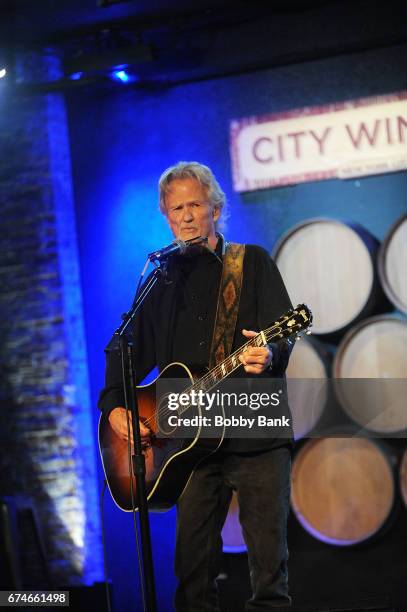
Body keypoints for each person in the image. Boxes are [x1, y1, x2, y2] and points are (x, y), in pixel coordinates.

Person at [98, 161, 294, 611]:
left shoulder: (252, 262)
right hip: (189, 447)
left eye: (195, 205)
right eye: (176, 209)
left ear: (216, 209)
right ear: (166, 216)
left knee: (268, 577)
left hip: (255, 436)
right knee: (191, 580)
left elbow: (280, 336)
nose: (186, 216)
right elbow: (121, 351)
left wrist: (270, 355)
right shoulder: (160, 282)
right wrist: (115, 407)